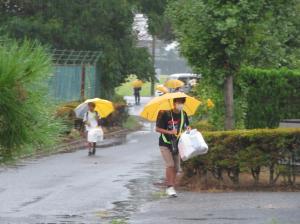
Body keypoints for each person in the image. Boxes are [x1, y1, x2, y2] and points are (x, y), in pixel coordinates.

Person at [156, 97, 191, 197]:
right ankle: (169, 187)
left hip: (177, 144)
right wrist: (170, 132)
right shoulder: (165, 114)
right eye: (179, 102)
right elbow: (157, 129)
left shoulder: (183, 114)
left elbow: (186, 125)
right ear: (174, 103)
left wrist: (188, 128)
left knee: (176, 167)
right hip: (165, 143)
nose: (181, 104)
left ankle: (172, 185)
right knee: (170, 164)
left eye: (182, 103)